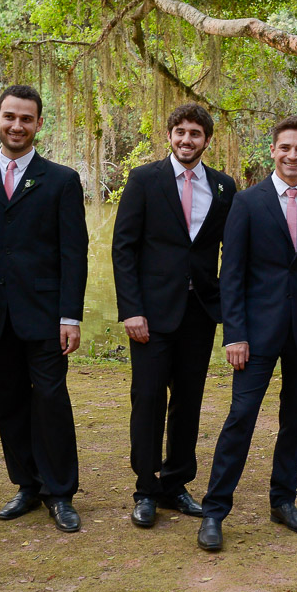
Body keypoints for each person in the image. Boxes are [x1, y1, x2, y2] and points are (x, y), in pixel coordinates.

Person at [196, 116, 297, 552]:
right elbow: (233, 274)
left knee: (296, 421)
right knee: (240, 419)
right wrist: (234, 334)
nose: (293, 155)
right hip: (256, 334)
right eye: (285, 148)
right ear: (273, 151)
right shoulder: (247, 202)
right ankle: (214, 510)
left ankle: (283, 499)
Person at [0, 85, 89, 533]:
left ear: (39, 124)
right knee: (9, 400)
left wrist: (69, 316)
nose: (17, 125)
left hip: (45, 314)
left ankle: (60, 492)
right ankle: (26, 484)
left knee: (51, 400)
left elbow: (74, 253)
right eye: (9, 117)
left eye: (26, 118)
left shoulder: (61, 180)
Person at [112, 103, 236, 527]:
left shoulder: (223, 187)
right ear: (169, 135)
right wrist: (131, 309)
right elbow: (124, 248)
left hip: (199, 312)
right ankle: (146, 488)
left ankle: (176, 483)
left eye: (196, 134)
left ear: (207, 140)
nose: (187, 140)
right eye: (180, 132)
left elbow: (228, 253)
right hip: (149, 314)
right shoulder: (144, 179)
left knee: (188, 401)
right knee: (147, 399)